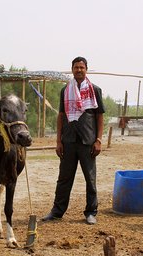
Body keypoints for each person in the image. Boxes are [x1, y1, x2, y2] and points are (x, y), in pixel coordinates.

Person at [42, 56, 105, 225]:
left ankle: (91, 212)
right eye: (76, 67)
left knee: (90, 179)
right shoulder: (65, 90)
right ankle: (57, 211)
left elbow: (99, 117)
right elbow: (61, 116)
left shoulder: (95, 90)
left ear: (86, 69)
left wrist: (98, 139)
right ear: (72, 69)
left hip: (88, 142)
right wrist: (58, 141)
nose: (79, 70)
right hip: (68, 141)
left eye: (82, 67)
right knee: (64, 178)